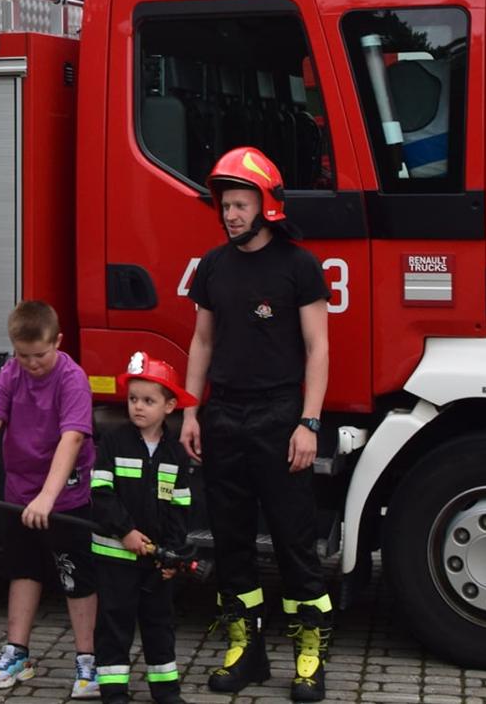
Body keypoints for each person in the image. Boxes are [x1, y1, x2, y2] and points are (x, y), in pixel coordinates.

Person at [178, 147, 333, 701]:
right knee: (232, 541)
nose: (230, 215)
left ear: (266, 205)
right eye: (226, 205)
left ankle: (309, 657)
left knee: (295, 544)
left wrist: (308, 422)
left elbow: (318, 349)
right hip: (223, 416)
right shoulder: (214, 265)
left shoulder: (299, 265)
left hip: (279, 416)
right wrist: (192, 410)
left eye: (241, 204)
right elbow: (201, 340)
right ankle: (246, 652)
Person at [0, 300, 100, 698]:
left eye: (39, 355)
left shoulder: (72, 379)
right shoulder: (11, 372)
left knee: (76, 575)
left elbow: (72, 439)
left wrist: (48, 497)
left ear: (57, 341)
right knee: (22, 570)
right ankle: (17, 652)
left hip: (66, 497)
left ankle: (88, 662)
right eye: (22, 355)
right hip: (20, 495)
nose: (31, 364)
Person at [92, 353, 197, 704]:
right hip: (115, 555)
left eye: (148, 401)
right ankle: (114, 690)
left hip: (155, 562)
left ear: (169, 406)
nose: (138, 407)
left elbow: (180, 509)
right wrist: (125, 533)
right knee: (114, 624)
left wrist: (172, 554)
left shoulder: (174, 454)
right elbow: (101, 494)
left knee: (159, 625)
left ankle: (166, 691)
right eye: (133, 399)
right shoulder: (113, 442)